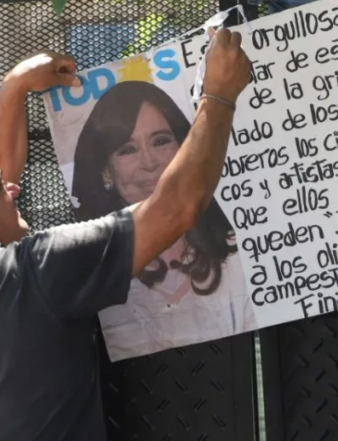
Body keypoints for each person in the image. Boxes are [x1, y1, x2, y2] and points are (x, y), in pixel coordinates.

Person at [0, 29, 252, 441]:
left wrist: (16, 86)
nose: (14, 187)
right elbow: (177, 207)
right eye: (0, 187)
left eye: (161, 141)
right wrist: (219, 95)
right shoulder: (33, 273)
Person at [71, 81, 256, 359]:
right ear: (105, 173)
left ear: (185, 149)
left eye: (160, 141)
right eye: (127, 149)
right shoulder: (88, 274)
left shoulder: (241, 255)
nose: (149, 162)